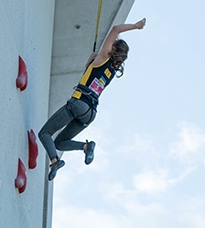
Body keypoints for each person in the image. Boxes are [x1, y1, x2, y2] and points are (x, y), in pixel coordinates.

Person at [39, 18, 147, 180]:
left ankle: (55, 161)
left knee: (45, 133)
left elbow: (116, 29)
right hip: (90, 113)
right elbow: (88, 75)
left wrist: (136, 26)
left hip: (79, 103)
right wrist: (90, 62)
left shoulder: (103, 57)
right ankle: (86, 146)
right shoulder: (110, 71)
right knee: (59, 143)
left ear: (113, 48)